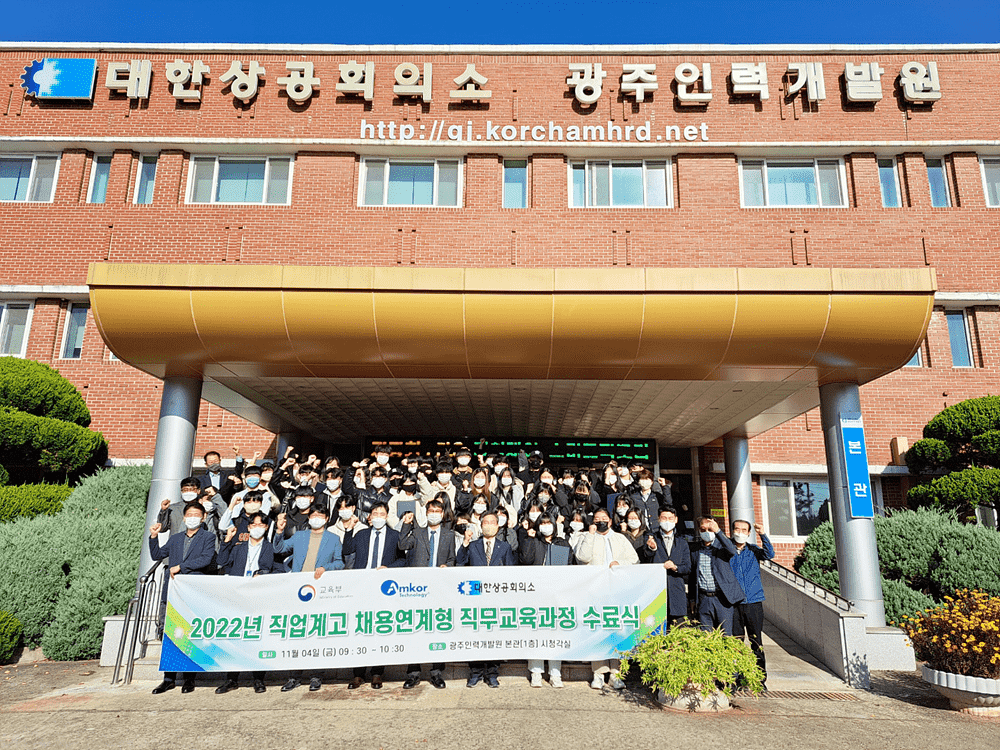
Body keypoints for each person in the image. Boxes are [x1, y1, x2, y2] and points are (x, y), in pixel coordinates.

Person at [272, 503, 345, 691]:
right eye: (313, 515)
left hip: (319, 591)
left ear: (327, 518)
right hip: (298, 590)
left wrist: (325, 568)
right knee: (297, 633)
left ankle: (316, 676)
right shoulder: (299, 536)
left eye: (320, 515)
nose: (316, 518)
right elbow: (279, 549)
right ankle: (294, 676)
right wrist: (279, 531)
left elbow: (340, 563)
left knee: (317, 632)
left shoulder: (334, 539)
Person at [148, 502, 217, 694]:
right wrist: (154, 537)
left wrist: (181, 567)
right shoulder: (176, 538)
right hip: (174, 592)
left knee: (191, 634)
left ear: (203, 518)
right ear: (184, 518)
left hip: (193, 591)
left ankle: (189, 679)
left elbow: (206, 558)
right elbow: (157, 555)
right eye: (189, 514)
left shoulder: (208, 537)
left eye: (197, 514)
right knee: (172, 634)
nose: (192, 517)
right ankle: (168, 678)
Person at [572, 507, 638, 690]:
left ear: (610, 521)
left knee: (616, 630)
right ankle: (598, 673)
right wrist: (592, 535)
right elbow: (581, 558)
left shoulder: (620, 538)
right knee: (597, 631)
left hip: (617, 590)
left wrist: (620, 564)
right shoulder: (586, 537)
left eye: (604, 518)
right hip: (595, 592)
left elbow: (634, 559)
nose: (600, 521)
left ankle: (616, 674)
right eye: (596, 519)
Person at [342, 502, 406, 689]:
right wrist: (348, 530)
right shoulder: (361, 534)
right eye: (375, 513)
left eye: (382, 513)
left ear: (387, 516)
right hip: (362, 586)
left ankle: (377, 672)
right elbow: (346, 551)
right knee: (361, 627)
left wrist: (389, 569)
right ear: (369, 517)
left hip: (383, 588)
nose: (378, 516)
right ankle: (358, 673)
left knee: (379, 628)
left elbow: (403, 559)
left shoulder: (395, 536)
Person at [215, 513, 279, 694]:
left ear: (266, 528)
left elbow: (279, 570)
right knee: (235, 638)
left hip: (260, 597)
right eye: (254, 525)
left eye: (261, 525)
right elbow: (221, 562)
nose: (257, 528)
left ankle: (258, 679)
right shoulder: (238, 548)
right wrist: (227, 541)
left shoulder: (271, 548)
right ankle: (231, 679)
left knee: (257, 638)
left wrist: (265, 574)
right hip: (238, 596)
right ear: (249, 527)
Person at [397, 500, 454, 689]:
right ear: (426, 512)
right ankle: (413, 673)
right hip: (417, 590)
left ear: (443, 514)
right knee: (415, 629)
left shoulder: (449, 534)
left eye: (438, 511)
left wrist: (448, 567)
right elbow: (402, 543)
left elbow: (452, 558)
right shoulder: (419, 532)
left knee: (437, 630)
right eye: (431, 510)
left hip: (439, 589)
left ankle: (436, 672)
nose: (434, 514)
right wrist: (406, 524)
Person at [457, 511, 515, 687]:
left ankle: (492, 673)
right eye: (486, 522)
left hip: (496, 599)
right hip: (475, 598)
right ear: (481, 526)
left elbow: (510, 572)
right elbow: (460, 563)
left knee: (494, 636)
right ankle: (475, 672)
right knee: (475, 635)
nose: (489, 525)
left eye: (493, 522)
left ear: (498, 526)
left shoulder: (504, 547)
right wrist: (465, 543)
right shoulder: (473, 545)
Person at [520, 512, 572, 687]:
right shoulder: (534, 542)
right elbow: (525, 560)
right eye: (542, 523)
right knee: (536, 632)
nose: (546, 526)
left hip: (557, 595)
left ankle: (555, 673)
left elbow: (568, 567)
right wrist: (528, 538)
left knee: (555, 633)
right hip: (536, 595)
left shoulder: (561, 543)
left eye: (549, 523)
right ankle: (536, 671)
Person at [729, 519, 774, 686]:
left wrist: (762, 534)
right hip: (734, 604)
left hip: (753, 602)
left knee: (756, 642)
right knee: (736, 643)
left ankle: (759, 679)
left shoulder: (753, 551)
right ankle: (738, 676)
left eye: (743, 530)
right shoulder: (727, 550)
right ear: (732, 531)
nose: (740, 533)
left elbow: (769, 554)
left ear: (748, 533)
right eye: (737, 529)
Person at [688, 517, 745, 635]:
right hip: (704, 598)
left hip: (722, 598)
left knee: (726, 635)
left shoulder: (722, 546)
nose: (707, 532)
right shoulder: (695, 549)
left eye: (710, 529)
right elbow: (693, 575)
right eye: (703, 529)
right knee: (705, 635)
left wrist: (718, 531)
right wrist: (693, 599)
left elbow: (732, 551)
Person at [645, 506, 692, 626]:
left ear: (676, 520)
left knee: (680, 632)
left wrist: (675, 567)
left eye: (670, 518)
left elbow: (688, 567)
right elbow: (645, 560)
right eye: (664, 518)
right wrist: (652, 548)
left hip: (677, 593)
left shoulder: (682, 542)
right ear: (658, 519)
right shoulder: (651, 538)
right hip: (657, 593)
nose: (667, 521)